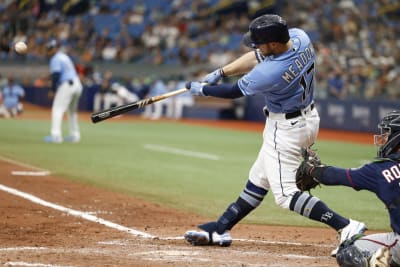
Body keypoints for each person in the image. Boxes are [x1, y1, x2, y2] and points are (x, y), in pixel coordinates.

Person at [183, 14, 366, 255]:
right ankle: (220, 228)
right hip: (307, 119)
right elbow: (255, 57)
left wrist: (203, 89)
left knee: (286, 195)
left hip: (287, 129)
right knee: (259, 178)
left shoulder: (270, 72)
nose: (256, 46)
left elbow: (232, 92)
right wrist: (222, 71)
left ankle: (346, 226)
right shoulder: (300, 37)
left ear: (274, 44)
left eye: (260, 42)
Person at [296, 110, 400, 267]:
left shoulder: (380, 170)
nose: (383, 138)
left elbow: (338, 177)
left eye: (387, 134)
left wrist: (312, 169)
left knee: (348, 252)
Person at [43, 39, 83, 143]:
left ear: (55, 48)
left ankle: (56, 136)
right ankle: (75, 135)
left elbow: (56, 75)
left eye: (50, 49)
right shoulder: (65, 57)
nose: (49, 51)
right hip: (77, 84)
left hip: (66, 85)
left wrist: (52, 89)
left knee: (57, 109)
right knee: (72, 111)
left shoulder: (55, 58)